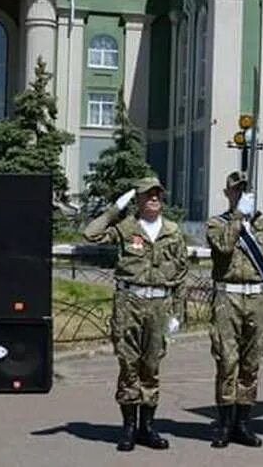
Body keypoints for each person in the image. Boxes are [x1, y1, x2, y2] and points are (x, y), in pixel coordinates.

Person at [83, 176, 190, 452]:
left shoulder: (172, 231)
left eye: (157, 194)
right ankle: (129, 428)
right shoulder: (126, 227)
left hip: (159, 306)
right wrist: (114, 210)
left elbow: (181, 274)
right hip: (129, 302)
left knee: (151, 368)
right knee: (129, 365)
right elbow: (90, 234)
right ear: (138, 199)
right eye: (148, 194)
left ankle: (148, 428)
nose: (154, 198)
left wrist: (177, 312)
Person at [205, 171, 263, 448]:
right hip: (229, 298)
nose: (240, 194)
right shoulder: (217, 223)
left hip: (258, 299)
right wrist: (239, 216)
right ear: (228, 194)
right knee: (227, 362)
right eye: (235, 190)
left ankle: (243, 424)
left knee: (250, 364)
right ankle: (224, 425)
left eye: (245, 190)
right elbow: (224, 246)